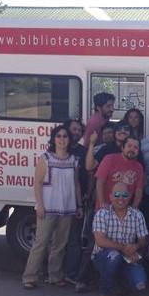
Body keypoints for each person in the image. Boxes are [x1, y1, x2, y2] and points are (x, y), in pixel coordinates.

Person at [22, 125, 83, 289]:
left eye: (65, 136)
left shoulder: (73, 160)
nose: (62, 139)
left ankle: (55, 276)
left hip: (67, 208)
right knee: (41, 243)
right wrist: (39, 204)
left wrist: (79, 205)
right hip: (48, 207)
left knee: (60, 245)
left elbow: (76, 184)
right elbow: (38, 183)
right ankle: (29, 277)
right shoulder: (46, 158)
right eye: (59, 136)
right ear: (53, 139)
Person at [91, 182, 148, 296]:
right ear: (110, 196)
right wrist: (123, 248)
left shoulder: (137, 215)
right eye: (117, 195)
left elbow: (143, 239)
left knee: (140, 283)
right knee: (114, 256)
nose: (120, 198)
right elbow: (100, 241)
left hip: (129, 256)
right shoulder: (102, 214)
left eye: (124, 195)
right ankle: (106, 292)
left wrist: (136, 247)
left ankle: (121, 282)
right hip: (104, 256)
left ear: (130, 196)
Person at [62, 118, 89, 285]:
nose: (76, 132)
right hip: (57, 201)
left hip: (77, 200)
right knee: (56, 240)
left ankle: (70, 274)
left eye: (79, 130)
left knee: (73, 240)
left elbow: (86, 177)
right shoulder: (57, 149)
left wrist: (83, 198)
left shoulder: (83, 151)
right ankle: (54, 273)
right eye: (74, 129)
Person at [94, 136, 144, 210]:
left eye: (135, 147)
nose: (132, 149)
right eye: (129, 146)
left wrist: (134, 208)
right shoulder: (109, 159)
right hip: (105, 208)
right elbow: (100, 182)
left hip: (124, 211)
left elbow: (139, 190)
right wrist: (102, 203)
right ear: (122, 148)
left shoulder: (139, 167)